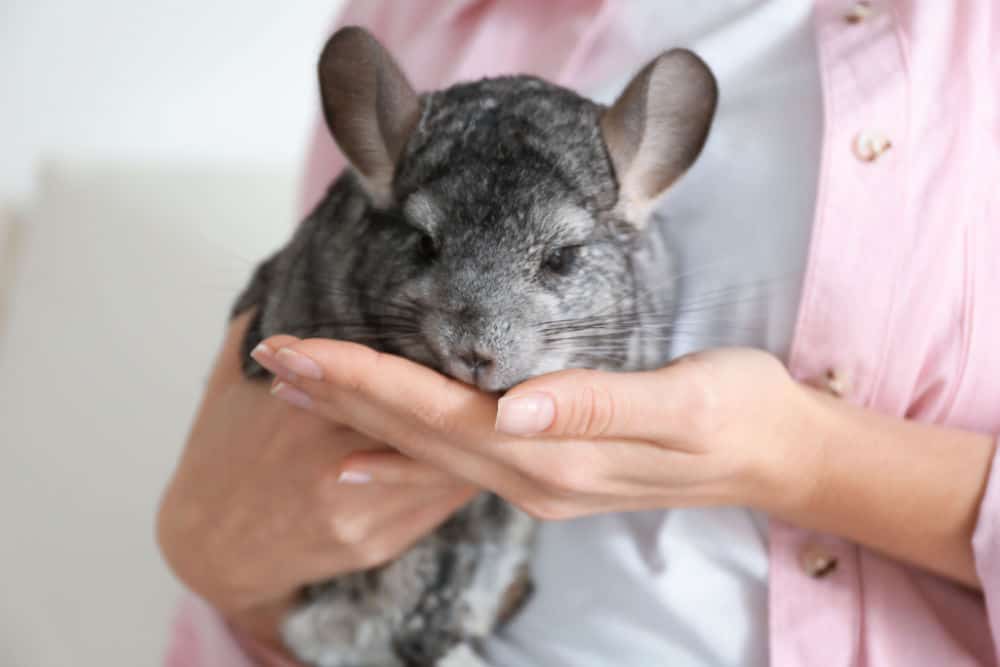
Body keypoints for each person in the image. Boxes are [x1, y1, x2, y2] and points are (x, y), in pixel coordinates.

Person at [157, 1, 1000, 665]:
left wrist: (800, 459)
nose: (478, 338)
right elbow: (319, 315)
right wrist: (216, 557)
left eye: (558, 259)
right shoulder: (425, 10)